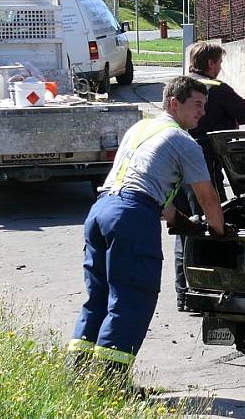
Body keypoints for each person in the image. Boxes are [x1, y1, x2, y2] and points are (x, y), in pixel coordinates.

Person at [66, 76, 227, 384]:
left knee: (98, 296)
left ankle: (77, 376)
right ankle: (109, 385)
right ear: (174, 103)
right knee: (131, 298)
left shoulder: (140, 129)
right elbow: (208, 197)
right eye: (196, 105)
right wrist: (219, 232)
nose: (202, 113)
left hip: (101, 210)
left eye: (204, 106)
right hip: (130, 216)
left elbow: (155, 198)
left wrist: (183, 223)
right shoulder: (183, 141)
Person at [174, 42, 245, 311]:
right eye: (219, 63)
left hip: (176, 164)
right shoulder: (216, 89)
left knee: (184, 227)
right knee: (212, 222)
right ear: (211, 63)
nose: (220, 68)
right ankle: (206, 291)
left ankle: (184, 294)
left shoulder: (178, 85)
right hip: (204, 164)